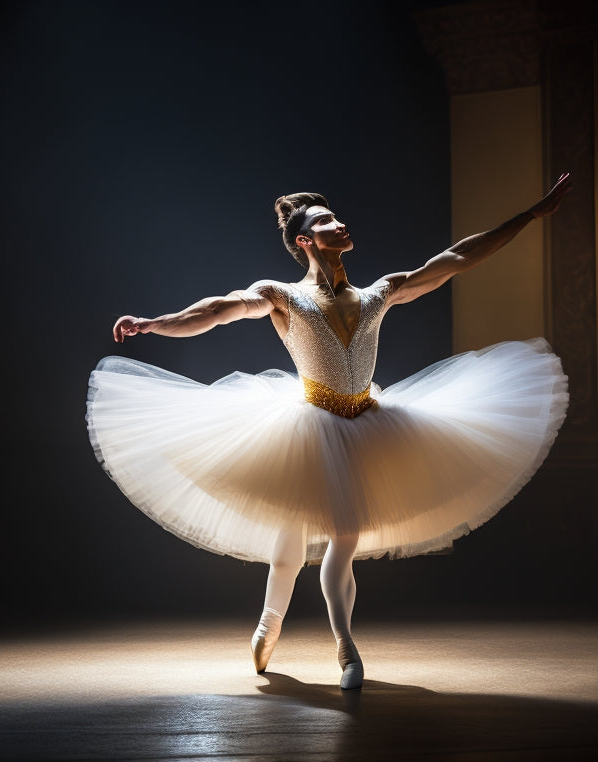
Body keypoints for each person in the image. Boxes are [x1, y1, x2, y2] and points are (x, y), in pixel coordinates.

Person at [87, 174, 571, 690]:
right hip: (308, 425)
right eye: (325, 222)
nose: (340, 224)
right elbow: (217, 311)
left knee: (344, 536)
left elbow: (454, 260)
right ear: (305, 241)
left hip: (368, 422)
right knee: (289, 544)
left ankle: (345, 646)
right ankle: (269, 622)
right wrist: (154, 322)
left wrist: (527, 216)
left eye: (336, 218)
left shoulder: (380, 292)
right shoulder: (281, 296)